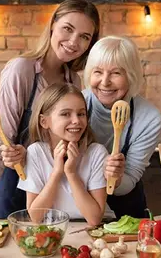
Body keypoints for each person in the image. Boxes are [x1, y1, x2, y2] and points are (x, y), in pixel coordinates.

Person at [0, 0, 100, 219]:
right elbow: (1, 141)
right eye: (68, 29)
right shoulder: (22, 70)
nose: (74, 42)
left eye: (84, 37)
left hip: (54, 191)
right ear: (52, 25)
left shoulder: (73, 81)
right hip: (16, 187)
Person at [83, 35, 161, 218]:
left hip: (125, 210)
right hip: (78, 207)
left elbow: (131, 177)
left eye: (116, 73)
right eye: (98, 72)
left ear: (131, 75)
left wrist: (117, 178)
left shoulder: (149, 119)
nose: (105, 82)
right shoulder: (75, 105)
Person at [18, 83, 114, 226]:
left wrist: (71, 173)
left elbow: (94, 219)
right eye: (65, 114)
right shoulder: (36, 152)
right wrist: (57, 172)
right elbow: (36, 217)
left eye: (81, 114)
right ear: (44, 121)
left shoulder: (96, 153)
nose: (76, 120)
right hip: (54, 229)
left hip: (96, 230)